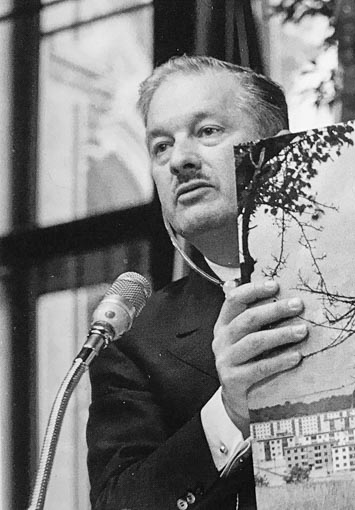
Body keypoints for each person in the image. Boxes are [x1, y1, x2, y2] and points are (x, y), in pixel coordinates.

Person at [86, 55, 307, 509]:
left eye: (207, 132)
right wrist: (229, 414)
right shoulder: (134, 342)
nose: (180, 161)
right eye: (161, 146)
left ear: (277, 147)